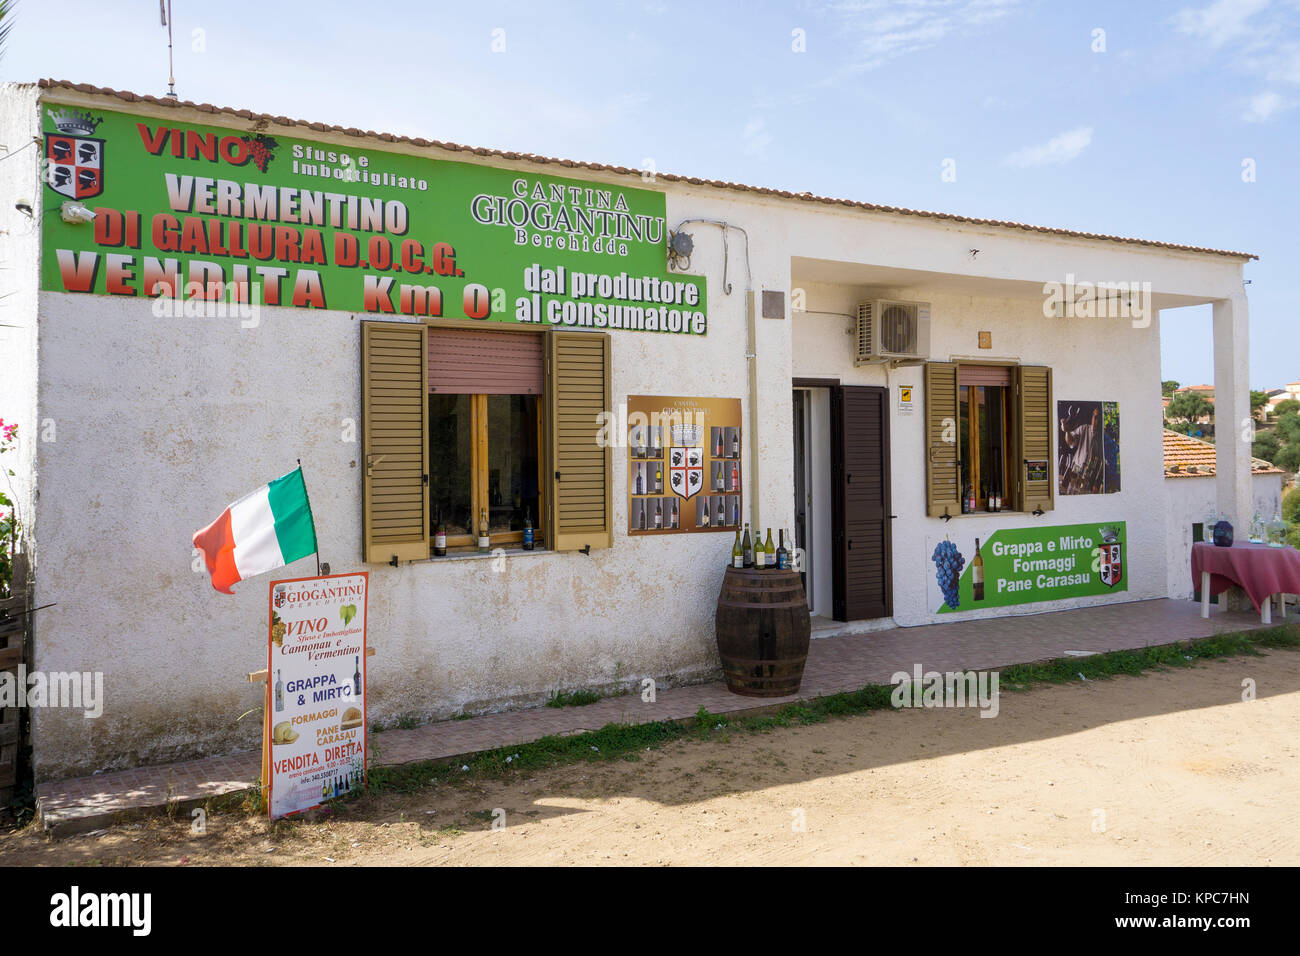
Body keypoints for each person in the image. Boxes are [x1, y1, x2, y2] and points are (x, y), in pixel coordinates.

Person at [1060, 405, 1100, 494]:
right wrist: (1067, 431)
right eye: (1095, 417)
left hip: (1089, 479)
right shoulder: (1084, 428)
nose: (1097, 420)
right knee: (1070, 493)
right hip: (1076, 471)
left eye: (1099, 418)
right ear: (1092, 417)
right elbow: (1070, 442)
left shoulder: (1104, 437)